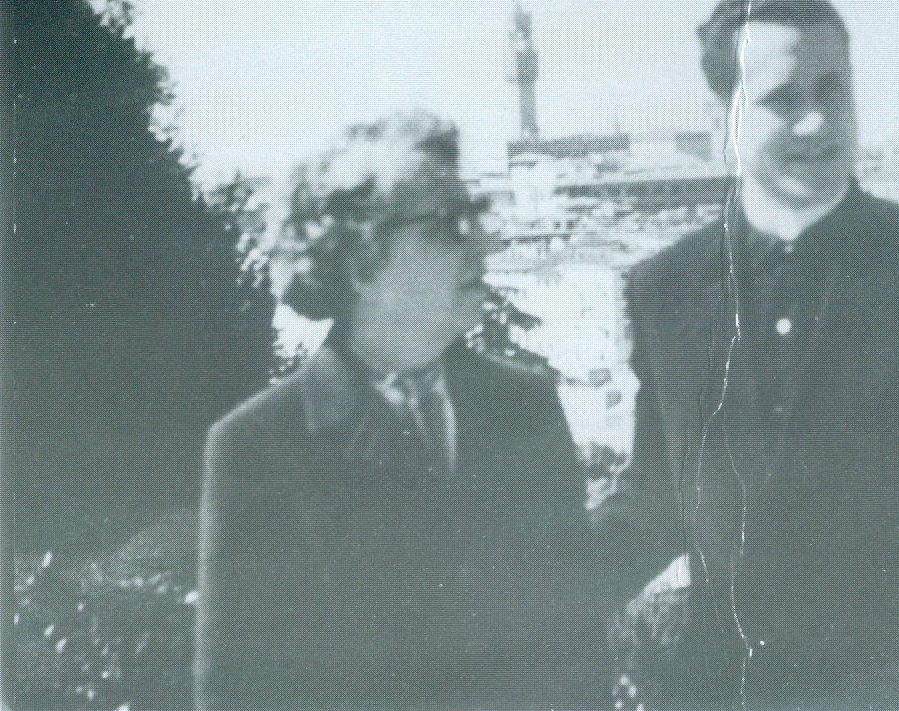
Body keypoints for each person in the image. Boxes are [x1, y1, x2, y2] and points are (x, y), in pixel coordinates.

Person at [595, 0, 899, 709]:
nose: (818, 121)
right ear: (722, 118)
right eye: (783, 100)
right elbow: (659, 498)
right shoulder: (668, 290)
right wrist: (509, 596)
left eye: (833, 92)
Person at [194, 113, 609, 710]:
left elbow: (578, 661)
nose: (483, 243)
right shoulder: (261, 447)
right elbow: (238, 695)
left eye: (475, 217)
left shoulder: (528, 406)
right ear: (364, 261)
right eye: (447, 226)